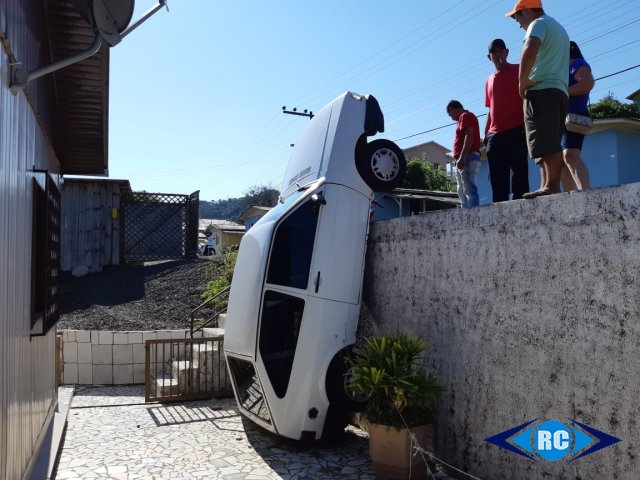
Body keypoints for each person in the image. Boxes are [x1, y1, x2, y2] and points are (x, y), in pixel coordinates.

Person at [506, 0, 569, 198]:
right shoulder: (559, 28)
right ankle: (546, 185)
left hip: (542, 90)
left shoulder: (538, 23)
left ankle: (551, 186)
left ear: (524, 11)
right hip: (559, 90)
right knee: (546, 140)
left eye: (516, 16)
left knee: (546, 139)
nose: (517, 22)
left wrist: (522, 80)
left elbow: (531, 47)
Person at [484, 38, 530, 202]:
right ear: (489, 57)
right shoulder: (489, 80)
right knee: (497, 176)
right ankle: (499, 208)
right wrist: (486, 133)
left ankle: (521, 206)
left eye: (500, 50)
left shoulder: (519, 70)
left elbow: (528, 96)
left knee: (519, 171)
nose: (497, 55)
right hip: (495, 134)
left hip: (517, 128)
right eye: (493, 52)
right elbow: (491, 108)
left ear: (507, 52)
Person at [560, 40, 594, 191]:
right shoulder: (564, 68)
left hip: (574, 116)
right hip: (562, 118)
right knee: (563, 160)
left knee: (570, 155)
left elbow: (587, 83)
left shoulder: (577, 64)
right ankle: (569, 197)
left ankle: (585, 192)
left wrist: (563, 92)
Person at [447, 100, 481, 208]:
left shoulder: (466, 116)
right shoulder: (463, 118)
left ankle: (472, 212)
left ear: (452, 109)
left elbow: (469, 135)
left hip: (468, 157)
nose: (450, 117)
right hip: (464, 157)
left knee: (469, 188)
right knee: (461, 190)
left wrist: (463, 157)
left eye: (449, 113)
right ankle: (465, 212)